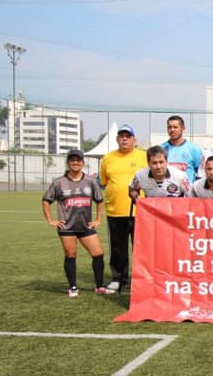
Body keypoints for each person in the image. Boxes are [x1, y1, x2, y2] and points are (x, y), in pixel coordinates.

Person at [42, 149, 107, 297]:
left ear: (83, 163)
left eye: (78, 160)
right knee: (71, 255)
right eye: (72, 160)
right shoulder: (59, 182)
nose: (75, 163)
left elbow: (100, 200)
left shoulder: (90, 181)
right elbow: (46, 201)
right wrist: (50, 220)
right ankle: (73, 287)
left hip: (85, 226)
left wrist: (97, 220)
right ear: (68, 162)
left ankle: (99, 286)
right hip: (67, 227)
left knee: (98, 254)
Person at [99, 124, 147, 294]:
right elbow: (105, 182)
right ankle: (118, 279)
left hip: (140, 211)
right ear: (117, 139)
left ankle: (141, 280)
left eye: (128, 136)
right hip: (115, 210)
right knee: (118, 248)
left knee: (141, 248)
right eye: (122, 136)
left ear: (134, 140)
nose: (125, 138)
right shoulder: (108, 158)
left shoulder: (143, 156)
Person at [161, 115, 202, 184]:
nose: (172, 130)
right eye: (169, 127)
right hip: (167, 191)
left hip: (188, 192)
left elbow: (200, 173)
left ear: (183, 128)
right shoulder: (161, 149)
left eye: (175, 127)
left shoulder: (194, 149)